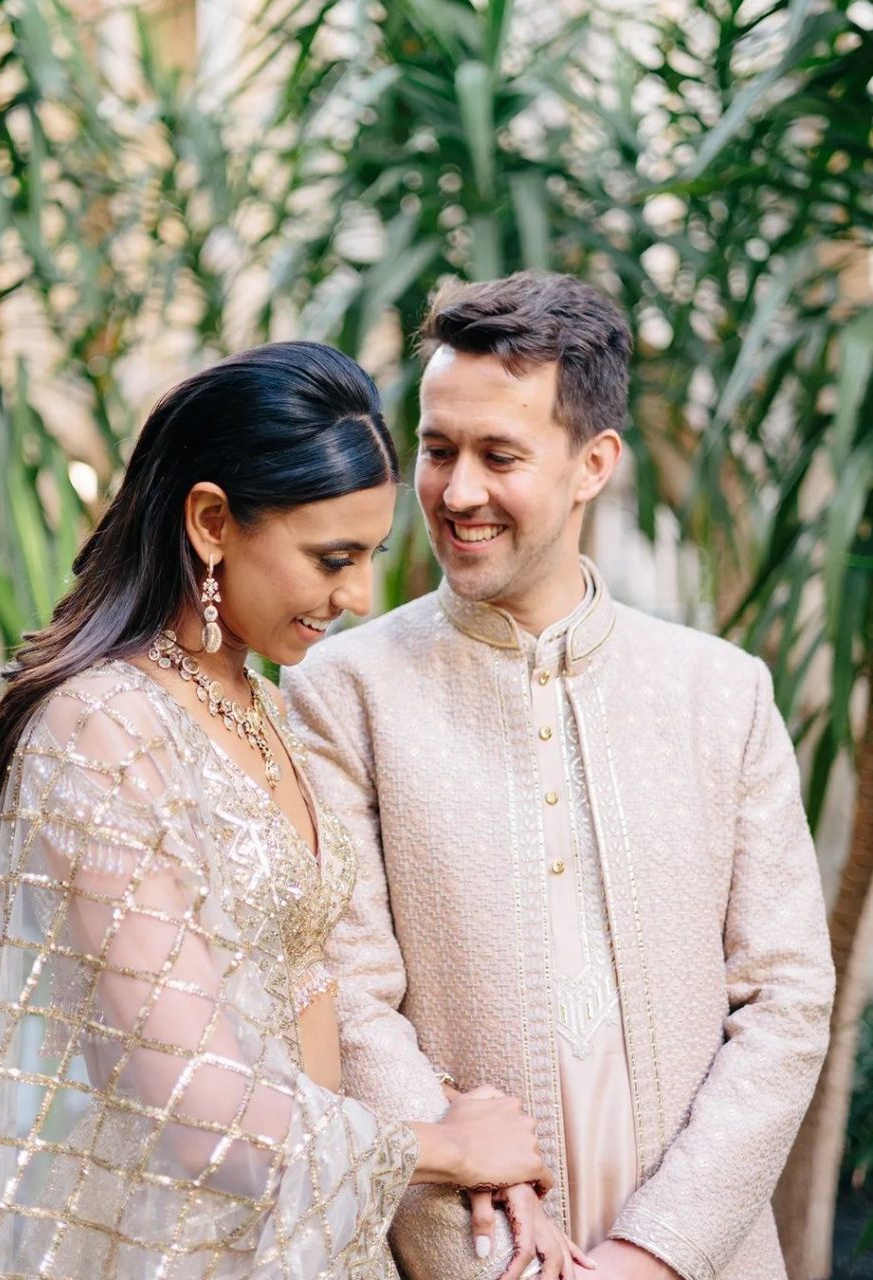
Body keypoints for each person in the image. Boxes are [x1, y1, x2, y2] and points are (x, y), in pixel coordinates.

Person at [0, 341, 584, 1280]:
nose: (356, 596)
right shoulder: (101, 727)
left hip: (318, 1231)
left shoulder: (265, 706)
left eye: (369, 557)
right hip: (184, 1246)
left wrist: (456, 1125)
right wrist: (446, 1149)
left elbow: (308, 991)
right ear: (210, 521)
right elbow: (195, 1106)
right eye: (332, 557)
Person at [282, 274, 835, 1280]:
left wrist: (654, 1251)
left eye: (499, 455)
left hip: (701, 1255)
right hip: (467, 1257)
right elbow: (348, 997)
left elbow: (785, 998)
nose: (455, 492)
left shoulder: (723, 692)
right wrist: (492, 1256)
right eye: (438, 449)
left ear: (593, 464)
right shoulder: (342, 689)